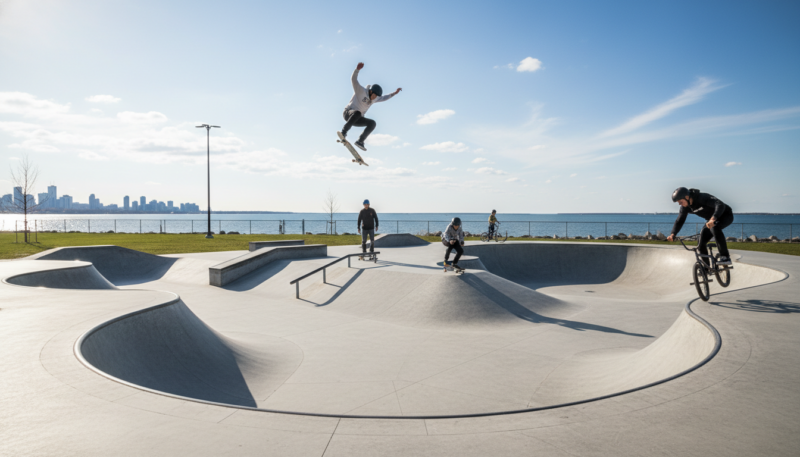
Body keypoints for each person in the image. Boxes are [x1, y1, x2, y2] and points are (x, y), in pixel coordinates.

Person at [337, 62, 402, 152]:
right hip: (348, 114)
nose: (375, 98)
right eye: (374, 95)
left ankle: (360, 141)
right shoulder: (361, 91)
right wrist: (357, 70)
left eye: (376, 97)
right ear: (371, 91)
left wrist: (394, 93)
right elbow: (354, 80)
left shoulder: (375, 99)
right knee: (357, 113)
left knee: (372, 123)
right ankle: (344, 132)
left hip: (357, 119)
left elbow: (384, 97)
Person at [666, 187, 733, 265]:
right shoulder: (685, 208)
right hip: (710, 222)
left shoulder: (701, 198)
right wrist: (673, 234)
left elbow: (720, 204)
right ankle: (706, 267)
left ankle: (725, 257)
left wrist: (713, 219)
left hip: (726, 215)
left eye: (680, 202)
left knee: (715, 228)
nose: (680, 204)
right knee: (701, 244)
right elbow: (679, 220)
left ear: (687, 197)